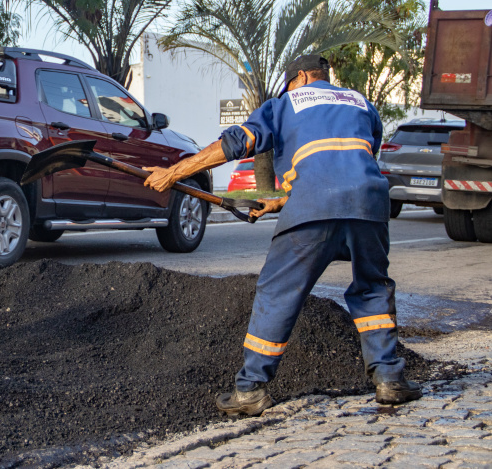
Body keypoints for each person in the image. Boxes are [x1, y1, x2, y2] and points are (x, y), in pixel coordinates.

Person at [143, 54, 422, 416]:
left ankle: (250, 389)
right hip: (369, 205)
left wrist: (175, 172)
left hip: (313, 209)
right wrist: (279, 203)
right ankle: (389, 379)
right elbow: (344, 161)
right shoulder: (361, 103)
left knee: (278, 291)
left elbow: (234, 143)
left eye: (289, 82)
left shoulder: (284, 103)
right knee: (372, 288)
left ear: (301, 77)